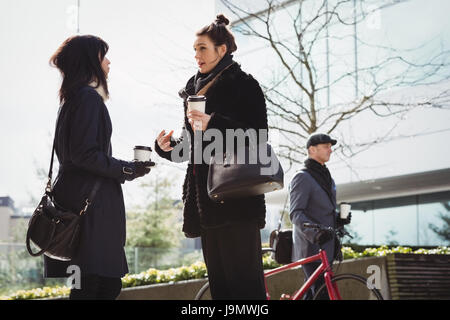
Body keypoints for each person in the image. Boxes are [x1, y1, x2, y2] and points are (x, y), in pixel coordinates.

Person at [155, 14, 268, 299]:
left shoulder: (245, 84)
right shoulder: (193, 91)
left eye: (202, 48)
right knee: (222, 292)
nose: (196, 55)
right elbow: (191, 150)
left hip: (238, 202)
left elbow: (258, 136)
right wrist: (167, 148)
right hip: (206, 206)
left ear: (222, 49)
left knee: (246, 292)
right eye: (194, 49)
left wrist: (212, 122)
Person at [45, 35, 154, 300]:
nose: (108, 63)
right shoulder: (87, 98)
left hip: (75, 202)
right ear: (90, 62)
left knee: (87, 285)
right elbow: (85, 155)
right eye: (103, 56)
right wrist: (129, 169)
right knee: (98, 286)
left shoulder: (72, 99)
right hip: (90, 209)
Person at [289, 133, 351, 300]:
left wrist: (339, 219)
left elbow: (323, 211)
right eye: (326, 146)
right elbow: (295, 213)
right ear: (312, 149)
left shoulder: (327, 177)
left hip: (327, 247)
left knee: (315, 294)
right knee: (320, 293)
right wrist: (315, 234)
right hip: (310, 247)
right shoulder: (302, 177)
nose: (330, 150)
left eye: (331, 147)